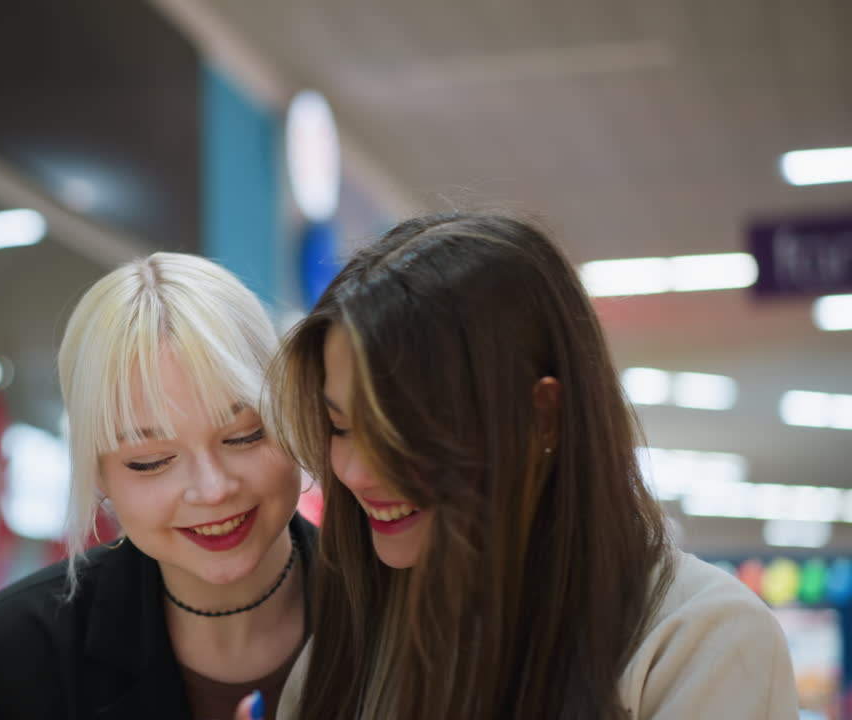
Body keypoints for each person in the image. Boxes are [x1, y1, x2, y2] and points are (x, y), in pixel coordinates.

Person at [255, 211, 797, 719]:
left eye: (406, 430)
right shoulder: (354, 640)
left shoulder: (700, 637)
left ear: (544, 417)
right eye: (343, 429)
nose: (357, 473)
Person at [0, 252, 314, 720]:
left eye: (244, 436)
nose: (212, 488)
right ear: (99, 475)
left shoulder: (402, 608)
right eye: (151, 462)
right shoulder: (18, 648)